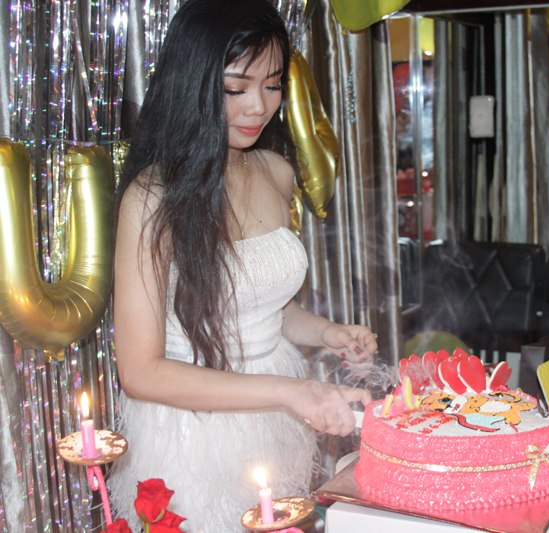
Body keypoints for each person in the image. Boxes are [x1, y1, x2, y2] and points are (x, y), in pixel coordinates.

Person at [107, 0, 377, 530]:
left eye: (272, 85)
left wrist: (327, 333)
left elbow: (266, 305)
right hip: (192, 429)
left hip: (276, 415)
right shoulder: (152, 199)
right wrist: (290, 393)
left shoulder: (276, 171)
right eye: (237, 88)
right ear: (195, 82)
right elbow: (140, 372)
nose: (259, 106)